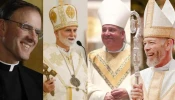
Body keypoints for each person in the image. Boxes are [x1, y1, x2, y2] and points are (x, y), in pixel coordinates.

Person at [131, 0, 175, 100]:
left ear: (168, 44)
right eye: (145, 43)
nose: (146, 48)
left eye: (151, 42)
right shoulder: (137, 79)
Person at [43, 0, 87, 100]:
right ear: (56, 33)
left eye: (74, 30)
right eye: (68, 30)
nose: (72, 35)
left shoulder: (79, 58)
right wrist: (43, 89)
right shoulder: (45, 55)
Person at [87, 0, 131, 99]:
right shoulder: (92, 56)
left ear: (122, 34)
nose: (107, 33)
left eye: (111, 30)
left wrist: (128, 93)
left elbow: (144, 82)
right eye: (104, 30)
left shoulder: (134, 54)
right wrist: (103, 96)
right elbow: (85, 85)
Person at [0, 0, 43, 100]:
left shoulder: (39, 82)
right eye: (26, 27)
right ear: (2, 27)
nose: (33, 38)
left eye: (37, 32)